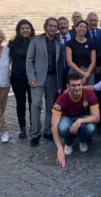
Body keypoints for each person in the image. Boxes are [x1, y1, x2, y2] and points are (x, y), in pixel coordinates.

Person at [26, 17, 63, 147]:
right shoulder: (36, 40)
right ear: (45, 26)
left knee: (50, 107)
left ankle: (48, 131)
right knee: (36, 105)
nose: (52, 28)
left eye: (55, 26)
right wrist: (31, 78)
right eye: (50, 25)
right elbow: (29, 60)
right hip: (37, 78)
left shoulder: (59, 42)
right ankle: (35, 133)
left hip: (53, 78)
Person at [51, 73, 100, 167]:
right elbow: (53, 126)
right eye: (73, 85)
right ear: (67, 86)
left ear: (82, 84)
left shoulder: (89, 94)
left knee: (90, 128)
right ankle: (68, 143)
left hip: (83, 118)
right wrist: (60, 149)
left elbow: (97, 118)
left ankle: (82, 140)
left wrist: (80, 121)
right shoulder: (61, 98)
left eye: (79, 85)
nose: (77, 88)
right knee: (61, 127)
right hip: (67, 118)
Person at [8, 19, 35, 139]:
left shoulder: (35, 42)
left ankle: (33, 127)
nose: (25, 30)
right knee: (20, 103)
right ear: (19, 30)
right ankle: (22, 128)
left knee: (33, 103)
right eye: (23, 28)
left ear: (31, 30)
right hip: (17, 77)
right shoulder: (12, 42)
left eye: (27, 28)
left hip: (31, 78)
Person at [66, 20, 96, 85]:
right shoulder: (70, 43)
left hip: (89, 72)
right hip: (74, 71)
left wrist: (87, 73)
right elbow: (69, 62)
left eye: (85, 27)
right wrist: (82, 73)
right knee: (74, 92)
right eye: (81, 26)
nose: (83, 28)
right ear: (76, 28)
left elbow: (93, 61)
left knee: (89, 92)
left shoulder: (91, 43)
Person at [58, 16, 73, 92]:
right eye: (60, 24)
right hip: (58, 73)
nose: (63, 25)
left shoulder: (75, 37)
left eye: (65, 23)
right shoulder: (54, 38)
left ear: (68, 24)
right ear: (57, 26)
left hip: (72, 71)